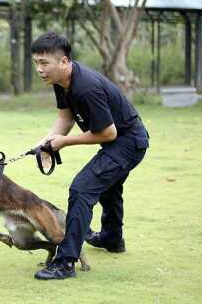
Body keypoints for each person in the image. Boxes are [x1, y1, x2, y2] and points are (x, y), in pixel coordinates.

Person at [30, 32, 149, 280]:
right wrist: (47, 141)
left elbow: (107, 133)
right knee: (108, 187)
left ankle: (65, 262)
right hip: (121, 140)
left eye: (44, 63)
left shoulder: (86, 88)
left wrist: (64, 142)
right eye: (36, 63)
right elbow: (65, 117)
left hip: (128, 142)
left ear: (64, 62)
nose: (40, 69)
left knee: (82, 188)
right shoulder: (61, 82)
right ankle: (112, 238)